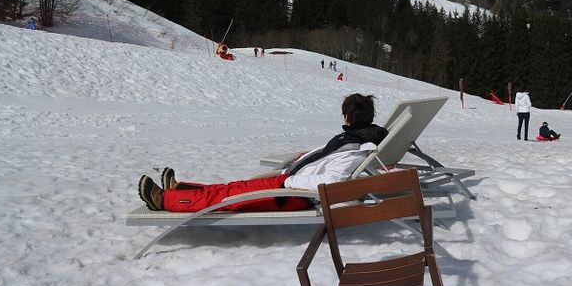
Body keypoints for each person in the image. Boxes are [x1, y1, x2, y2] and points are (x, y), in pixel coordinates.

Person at [138, 93, 388, 212]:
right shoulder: (354, 137)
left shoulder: (354, 147)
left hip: (293, 194)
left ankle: (165, 200)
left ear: (348, 116)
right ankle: (182, 189)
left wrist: (291, 181)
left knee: (227, 201)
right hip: (287, 182)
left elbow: (333, 182)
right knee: (233, 188)